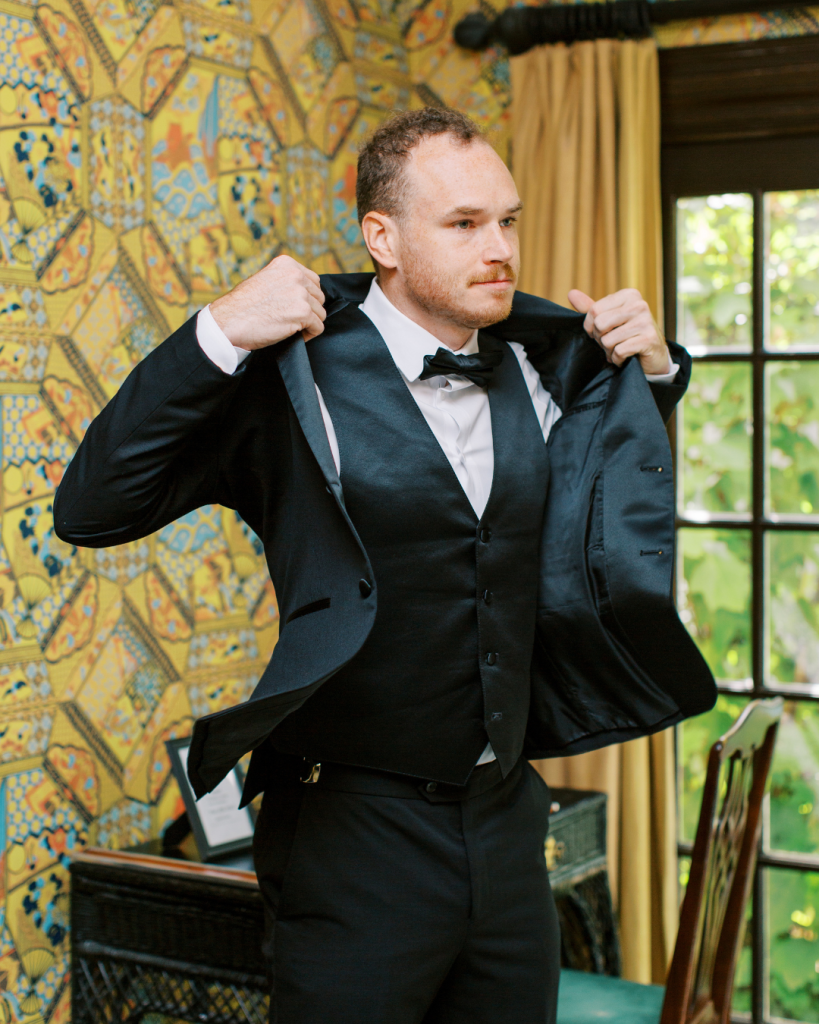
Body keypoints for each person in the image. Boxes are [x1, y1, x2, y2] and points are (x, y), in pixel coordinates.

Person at [55, 107, 715, 1023]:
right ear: (383, 237)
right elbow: (92, 508)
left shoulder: (545, 360)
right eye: (463, 224)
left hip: (506, 823)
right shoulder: (288, 379)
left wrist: (649, 379)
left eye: (507, 221)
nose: (499, 248)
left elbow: (594, 522)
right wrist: (215, 330)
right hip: (348, 835)